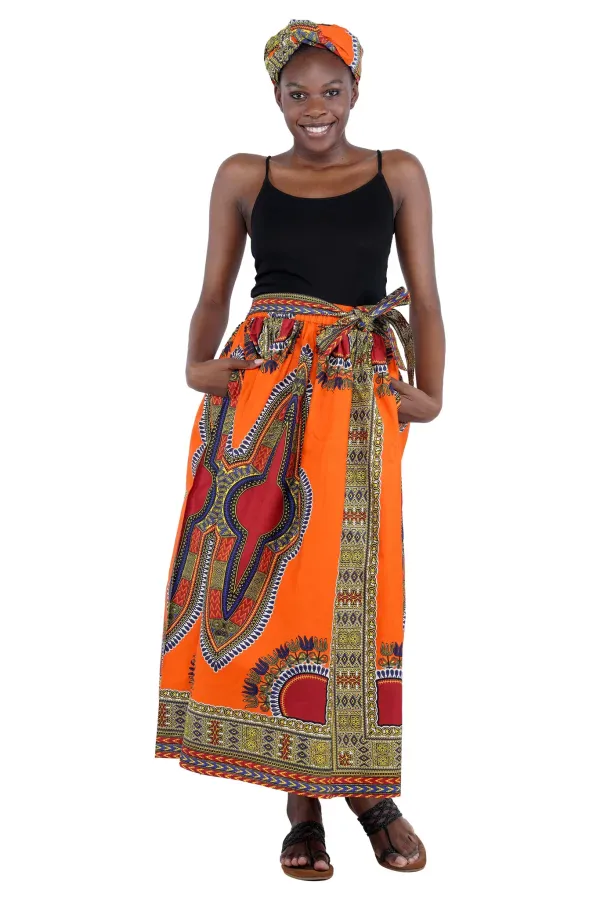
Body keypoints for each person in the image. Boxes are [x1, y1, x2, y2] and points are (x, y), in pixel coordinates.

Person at [155, 19, 445, 881]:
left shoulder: (398, 172)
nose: (315, 107)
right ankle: (304, 806)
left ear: (356, 92)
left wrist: (430, 392)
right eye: (297, 92)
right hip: (259, 395)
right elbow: (215, 291)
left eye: (331, 90)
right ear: (275, 95)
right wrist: (198, 366)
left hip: (356, 396)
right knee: (277, 589)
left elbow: (427, 296)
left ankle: (370, 795)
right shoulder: (245, 176)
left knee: (353, 590)